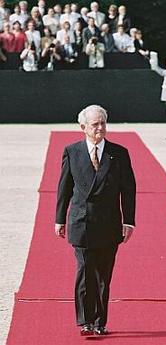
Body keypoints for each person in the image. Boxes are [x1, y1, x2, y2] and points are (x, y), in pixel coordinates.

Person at [55, 105, 136, 336]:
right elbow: (64, 188)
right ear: (83, 128)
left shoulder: (119, 153)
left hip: (109, 224)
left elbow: (128, 189)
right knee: (84, 272)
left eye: (103, 123)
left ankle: (100, 322)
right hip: (82, 222)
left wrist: (128, 221)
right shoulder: (72, 151)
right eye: (95, 124)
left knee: (103, 276)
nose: (100, 128)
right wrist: (59, 219)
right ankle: (85, 321)